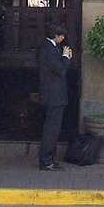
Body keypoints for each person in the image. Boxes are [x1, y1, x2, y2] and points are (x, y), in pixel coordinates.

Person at [37, 23, 73, 171]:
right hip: (53, 94)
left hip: (55, 94)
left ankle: (49, 158)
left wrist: (65, 57)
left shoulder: (51, 47)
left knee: (54, 128)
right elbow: (59, 70)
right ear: (55, 35)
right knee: (51, 128)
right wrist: (65, 57)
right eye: (61, 35)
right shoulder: (48, 49)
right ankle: (46, 160)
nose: (63, 38)